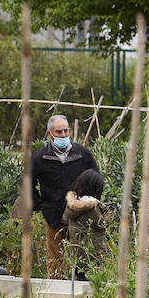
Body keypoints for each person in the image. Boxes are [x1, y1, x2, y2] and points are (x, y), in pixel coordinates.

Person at [30, 114, 100, 279]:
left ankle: (82, 297)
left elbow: (96, 180)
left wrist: (88, 203)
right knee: (54, 262)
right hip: (54, 218)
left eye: (66, 131)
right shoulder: (39, 159)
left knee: (84, 259)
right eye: (58, 132)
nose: (63, 135)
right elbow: (27, 186)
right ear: (49, 134)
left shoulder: (82, 154)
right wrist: (42, 206)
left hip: (80, 218)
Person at [63, 168, 114, 280]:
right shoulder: (90, 207)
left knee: (80, 282)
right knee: (92, 284)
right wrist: (110, 212)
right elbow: (101, 223)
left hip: (77, 255)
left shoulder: (72, 204)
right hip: (92, 254)